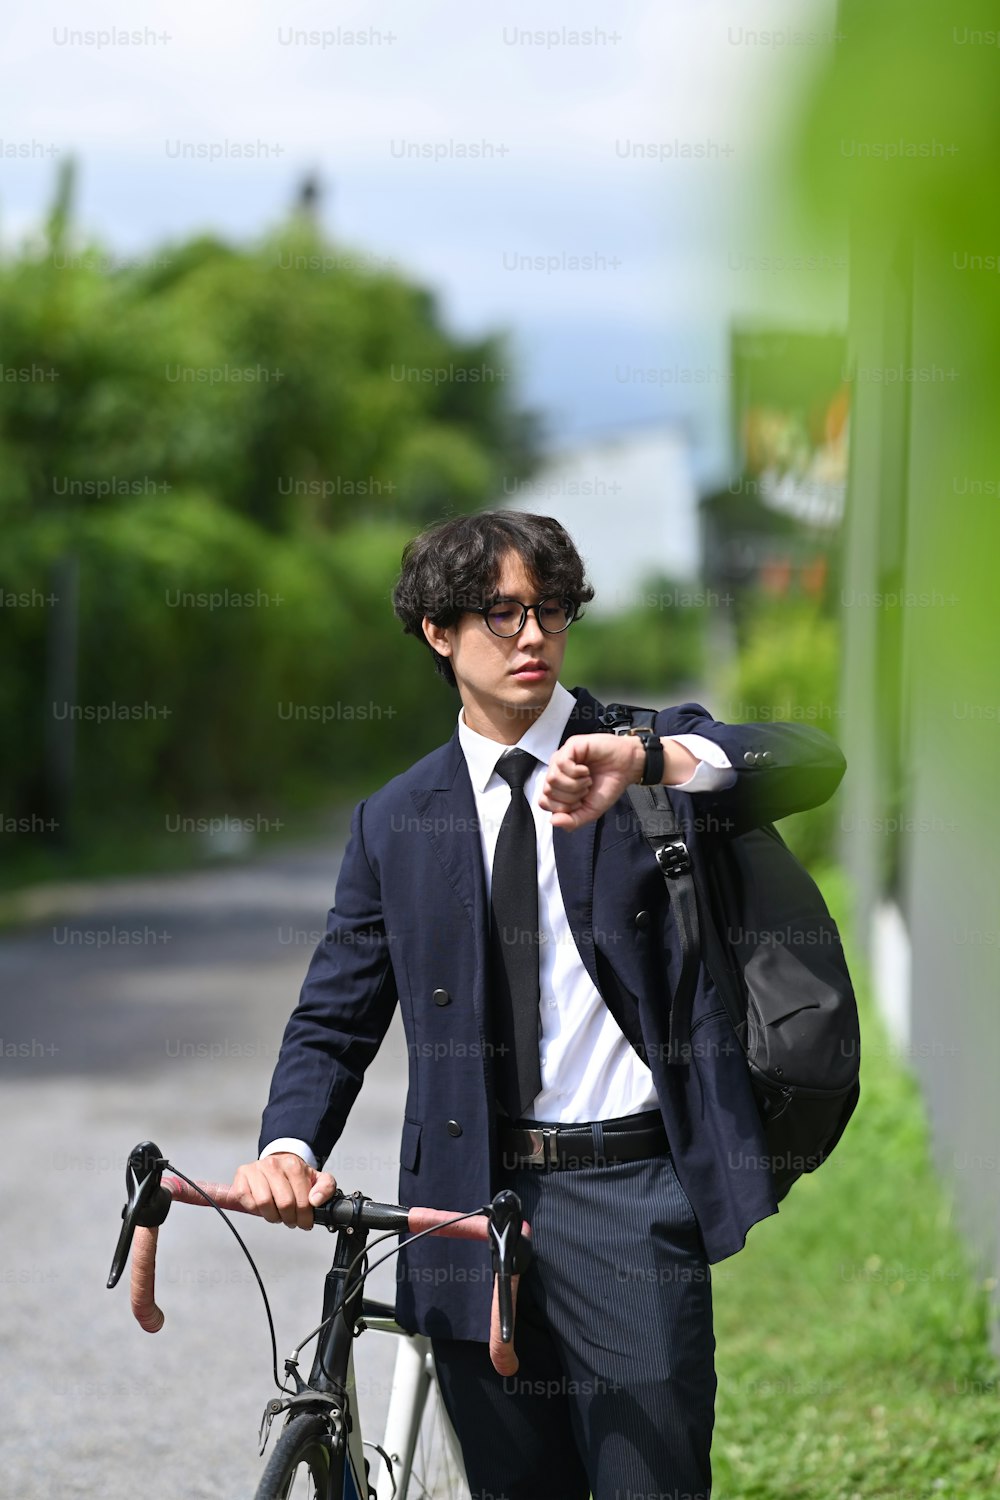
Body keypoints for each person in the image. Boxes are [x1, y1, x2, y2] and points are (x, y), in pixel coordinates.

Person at [233, 510, 847, 1500]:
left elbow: (812, 759)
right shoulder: (395, 819)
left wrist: (649, 763)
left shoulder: (638, 757)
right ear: (438, 630)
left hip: (629, 1196)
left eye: (551, 610)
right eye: (502, 612)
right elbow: (334, 1014)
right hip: (464, 1206)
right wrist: (286, 1146)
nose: (533, 636)